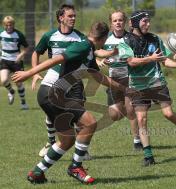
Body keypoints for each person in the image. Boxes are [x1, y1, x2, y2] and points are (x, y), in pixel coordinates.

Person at [12, 21, 129, 185]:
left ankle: (37, 172)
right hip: (54, 94)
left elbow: (97, 76)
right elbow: (56, 59)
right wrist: (29, 73)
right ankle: (76, 167)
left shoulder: (89, 51)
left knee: (67, 140)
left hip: (52, 96)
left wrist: (123, 88)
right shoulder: (83, 47)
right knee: (90, 123)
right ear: (102, 38)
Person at [119, 11, 176, 166]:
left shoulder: (155, 39)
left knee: (168, 114)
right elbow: (131, 62)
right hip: (137, 85)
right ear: (135, 23)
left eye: (149, 21)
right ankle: (148, 156)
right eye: (145, 21)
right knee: (141, 119)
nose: (148, 24)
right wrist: (150, 59)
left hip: (157, 83)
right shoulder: (125, 41)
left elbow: (165, 61)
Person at [31, 4, 90, 158]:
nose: (73, 18)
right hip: (54, 79)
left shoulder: (80, 37)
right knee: (52, 115)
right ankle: (51, 143)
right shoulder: (49, 36)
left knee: (79, 116)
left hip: (74, 81)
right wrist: (34, 73)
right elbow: (36, 53)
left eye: (74, 16)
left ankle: (81, 150)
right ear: (61, 18)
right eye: (70, 16)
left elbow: (91, 52)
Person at [95, 10, 142, 150]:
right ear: (111, 23)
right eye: (115, 20)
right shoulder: (106, 38)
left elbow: (138, 57)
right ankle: (137, 112)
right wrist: (99, 60)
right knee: (114, 114)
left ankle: (137, 141)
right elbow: (95, 51)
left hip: (130, 78)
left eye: (120, 20)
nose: (118, 23)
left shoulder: (131, 38)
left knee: (130, 108)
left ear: (125, 21)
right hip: (113, 80)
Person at [0, 16, 29, 109]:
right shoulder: (1, 33)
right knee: (4, 80)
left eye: (11, 25)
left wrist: (20, 56)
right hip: (4, 59)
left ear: (13, 25)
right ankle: (11, 91)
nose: (9, 27)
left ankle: (23, 103)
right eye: (7, 25)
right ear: (4, 25)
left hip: (16, 61)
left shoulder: (19, 34)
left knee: (19, 83)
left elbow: (26, 48)